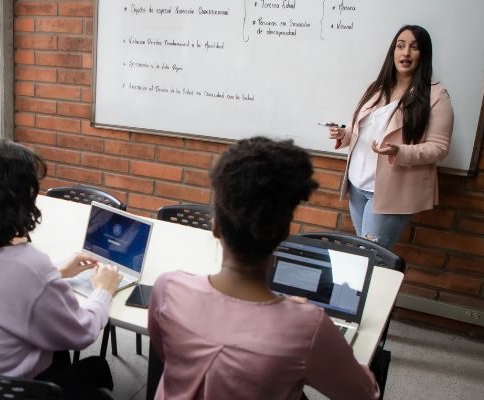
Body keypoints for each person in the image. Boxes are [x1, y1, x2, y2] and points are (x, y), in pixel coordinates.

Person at [148, 137, 380, 399]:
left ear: (215, 227)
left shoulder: (168, 288)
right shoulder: (307, 327)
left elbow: (167, 353)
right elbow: (364, 394)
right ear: (284, 234)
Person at [0, 139, 120, 399]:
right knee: (97, 368)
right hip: (13, 392)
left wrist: (57, 272)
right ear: (19, 202)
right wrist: (103, 291)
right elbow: (83, 333)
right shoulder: (29, 266)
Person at [329, 25, 454, 249]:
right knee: (365, 256)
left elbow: (439, 148)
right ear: (393, 51)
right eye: (400, 46)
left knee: (371, 258)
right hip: (358, 186)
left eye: (414, 47)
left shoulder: (436, 96)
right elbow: (359, 129)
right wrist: (344, 134)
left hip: (390, 193)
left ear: (423, 54)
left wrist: (399, 151)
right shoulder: (376, 88)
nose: (405, 53)